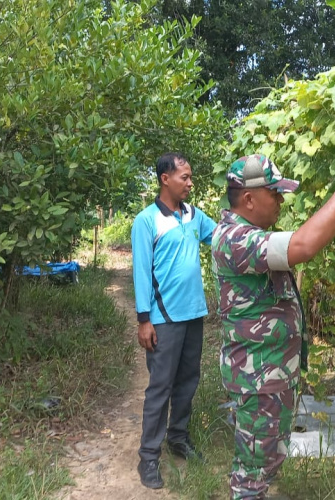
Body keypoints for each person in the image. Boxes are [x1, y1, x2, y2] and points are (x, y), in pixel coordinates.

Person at [211, 154, 335, 499]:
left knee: (265, 461)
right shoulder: (234, 239)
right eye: (276, 193)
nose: (282, 200)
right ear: (250, 198)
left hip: (269, 374)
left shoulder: (246, 234)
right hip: (259, 378)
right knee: (252, 471)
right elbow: (303, 245)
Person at [131, 152, 217, 489]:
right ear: (165, 178)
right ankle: (149, 457)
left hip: (194, 315)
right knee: (160, 388)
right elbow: (141, 273)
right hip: (163, 319)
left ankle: (178, 439)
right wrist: (143, 320)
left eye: (190, 176)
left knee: (187, 382)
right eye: (185, 177)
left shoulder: (195, 216)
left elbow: (221, 237)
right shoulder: (147, 221)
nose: (190, 183)